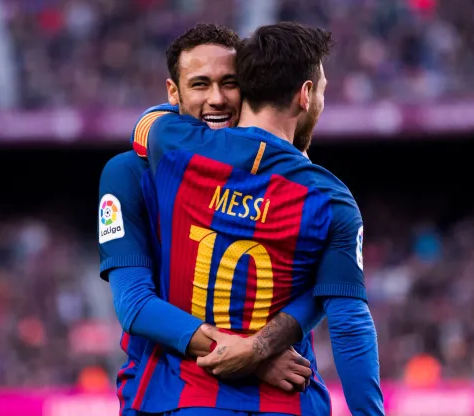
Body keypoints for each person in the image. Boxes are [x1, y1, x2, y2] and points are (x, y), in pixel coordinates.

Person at [129, 22, 385, 415]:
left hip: (188, 401)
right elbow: (350, 326)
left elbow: (150, 121)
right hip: (288, 404)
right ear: (305, 95)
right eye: (323, 92)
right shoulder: (331, 200)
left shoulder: (176, 148)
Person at [98, 24, 326, 416]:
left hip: (285, 396)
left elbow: (322, 284)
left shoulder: (290, 177)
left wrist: (260, 347)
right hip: (172, 392)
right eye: (200, 84)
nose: (217, 99)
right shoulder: (128, 174)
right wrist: (252, 355)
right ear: (174, 93)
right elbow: (134, 303)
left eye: (230, 83)